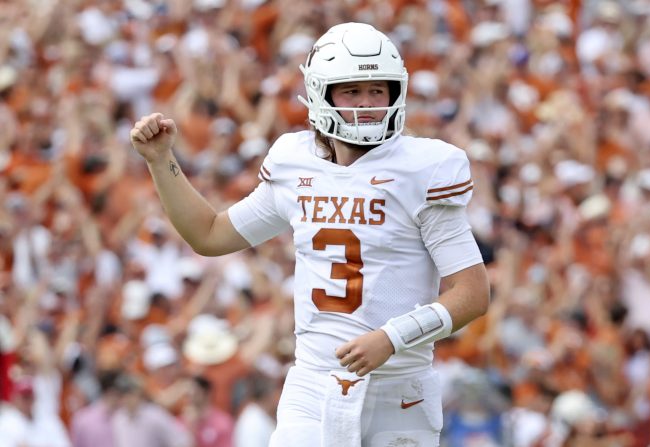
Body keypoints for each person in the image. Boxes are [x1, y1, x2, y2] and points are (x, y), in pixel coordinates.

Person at [130, 22, 489, 447]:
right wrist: (161, 161)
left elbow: (472, 293)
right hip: (314, 384)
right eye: (351, 91)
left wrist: (392, 339)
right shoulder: (295, 163)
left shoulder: (423, 168)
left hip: (399, 390)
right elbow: (209, 235)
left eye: (377, 91)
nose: (367, 105)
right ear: (320, 93)